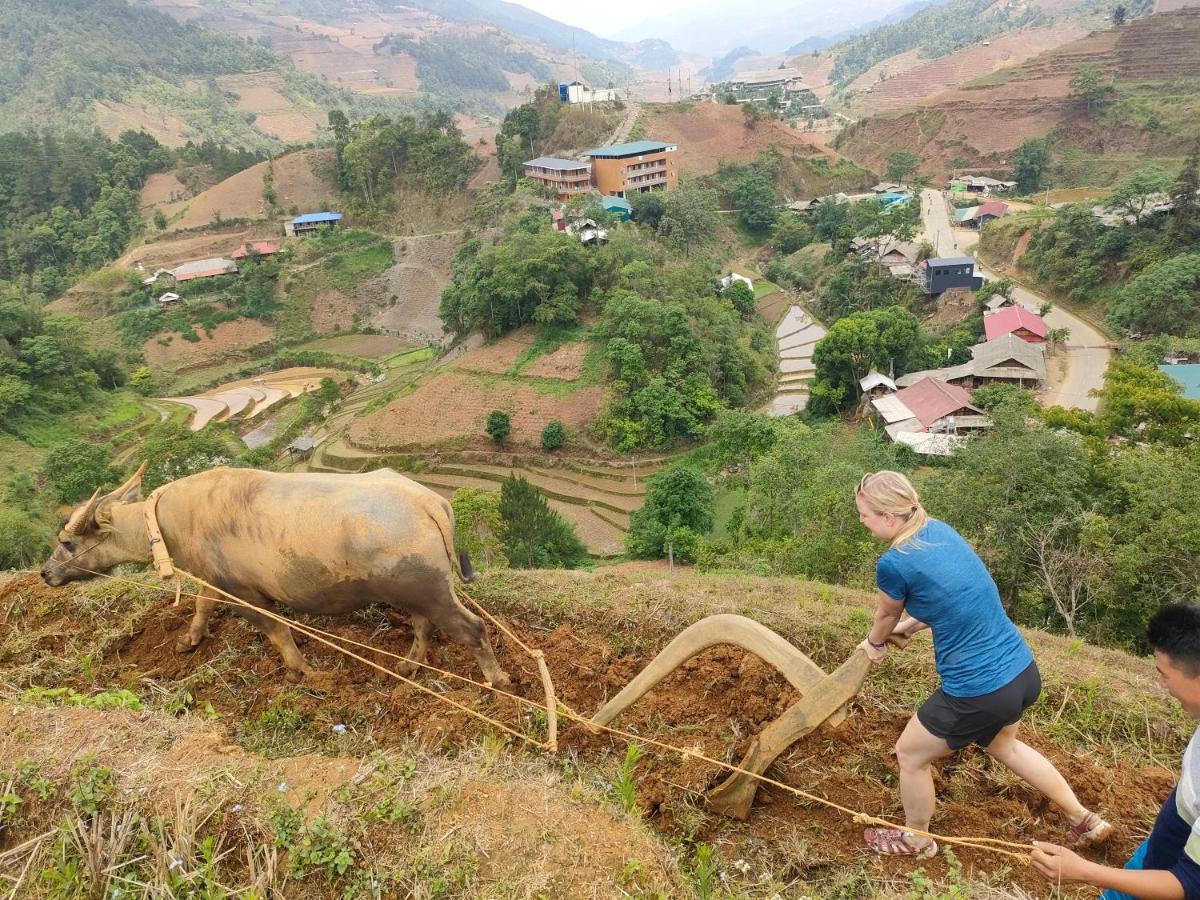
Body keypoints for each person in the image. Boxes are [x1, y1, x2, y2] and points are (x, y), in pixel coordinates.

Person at [854, 470, 1112, 858]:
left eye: (865, 516)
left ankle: (917, 839)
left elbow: (884, 615)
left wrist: (876, 644)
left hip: (979, 690)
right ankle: (1083, 818)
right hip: (1021, 672)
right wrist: (913, 626)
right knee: (1004, 745)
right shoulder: (939, 531)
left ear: (889, 517)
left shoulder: (895, 561)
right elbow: (959, 595)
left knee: (910, 755)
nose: (862, 522)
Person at [1031, 603, 1200, 899]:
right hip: (1160, 852)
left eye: (1164, 675)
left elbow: (1188, 884)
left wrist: (1083, 872)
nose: (1162, 685)